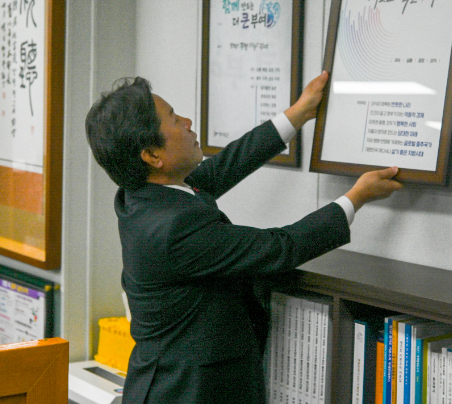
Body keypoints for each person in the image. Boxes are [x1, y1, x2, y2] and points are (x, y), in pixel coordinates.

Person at [85, 71, 402, 404]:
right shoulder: (172, 228)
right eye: (174, 120)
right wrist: (356, 198)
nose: (188, 122)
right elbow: (280, 247)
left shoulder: (142, 195)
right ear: (152, 155)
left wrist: (297, 114)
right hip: (186, 391)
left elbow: (225, 166)